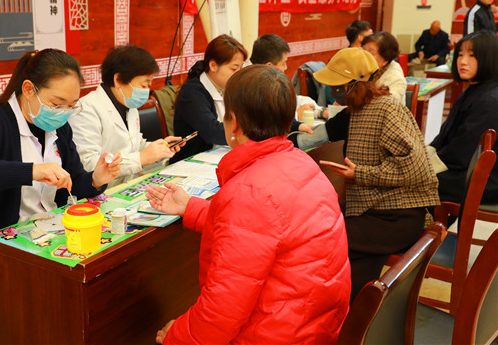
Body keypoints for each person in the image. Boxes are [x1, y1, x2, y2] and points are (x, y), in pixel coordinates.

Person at [0, 49, 121, 344]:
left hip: (45, 250)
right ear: (29, 89)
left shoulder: (58, 127)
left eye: (72, 106)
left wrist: (96, 178)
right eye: (57, 103)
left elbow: (73, 184)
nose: (64, 112)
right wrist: (29, 171)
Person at [147, 65, 351, 344]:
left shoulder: (249, 191)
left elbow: (221, 312)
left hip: (278, 334)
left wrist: (177, 335)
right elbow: (259, 230)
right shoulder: (300, 162)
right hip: (317, 322)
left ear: (233, 123)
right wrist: (191, 207)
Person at [312, 47, 440, 302]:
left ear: (354, 84)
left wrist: (361, 174)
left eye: (337, 86)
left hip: (398, 216)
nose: (333, 91)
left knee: (325, 235)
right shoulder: (355, 110)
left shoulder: (386, 110)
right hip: (372, 207)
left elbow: (414, 168)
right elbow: (326, 132)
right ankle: (358, 307)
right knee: (323, 216)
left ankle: (351, 307)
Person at [69, 45, 181, 187]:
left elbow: (134, 145)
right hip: (100, 191)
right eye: (143, 85)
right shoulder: (85, 109)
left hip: (128, 185)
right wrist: (141, 158)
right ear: (118, 79)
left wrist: (159, 149)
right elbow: (89, 164)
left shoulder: (128, 104)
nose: (147, 91)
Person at [428, 30, 498, 205]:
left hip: (485, 178)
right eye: (460, 54)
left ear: (490, 58)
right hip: (465, 167)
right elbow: (444, 136)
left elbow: (462, 151)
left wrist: (422, 169)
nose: (463, 61)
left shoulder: (490, 99)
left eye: (472, 55)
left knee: (414, 184)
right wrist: (425, 155)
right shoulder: (474, 89)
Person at [171, 34, 246, 163]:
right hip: (192, 162)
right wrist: (246, 134)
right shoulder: (192, 93)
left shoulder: (229, 87)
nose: (239, 74)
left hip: (222, 154)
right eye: (234, 69)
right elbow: (212, 131)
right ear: (213, 66)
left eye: (241, 68)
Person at [250, 33, 329, 120]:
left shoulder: (272, 82)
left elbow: (293, 101)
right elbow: (268, 120)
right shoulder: (252, 89)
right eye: (283, 63)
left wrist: (320, 111)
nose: (286, 67)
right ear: (269, 66)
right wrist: (296, 116)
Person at [361, 31, 407, 104]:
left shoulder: (396, 79)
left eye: (371, 53)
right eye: (363, 51)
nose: (363, 56)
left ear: (385, 59)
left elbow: (387, 106)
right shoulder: (361, 70)